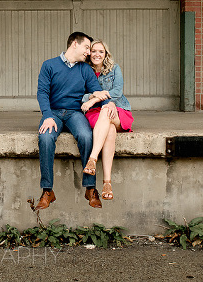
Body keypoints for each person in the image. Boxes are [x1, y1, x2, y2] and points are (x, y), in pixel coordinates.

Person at [35, 31, 111, 210]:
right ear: (74, 44)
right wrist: (46, 115)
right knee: (45, 138)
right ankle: (47, 190)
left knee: (86, 136)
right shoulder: (49, 65)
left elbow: (96, 90)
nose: (89, 52)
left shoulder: (85, 69)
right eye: (86, 47)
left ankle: (90, 188)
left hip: (75, 113)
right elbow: (42, 93)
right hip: (53, 113)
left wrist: (109, 104)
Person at [80, 39, 134, 201]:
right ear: (89, 53)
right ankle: (107, 183)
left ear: (105, 54)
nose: (97, 54)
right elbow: (78, 94)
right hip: (96, 113)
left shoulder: (114, 68)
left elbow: (117, 90)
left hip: (117, 109)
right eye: (94, 51)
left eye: (101, 51)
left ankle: (92, 159)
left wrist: (95, 100)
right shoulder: (83, 70)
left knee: (106, 110)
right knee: (109, 129)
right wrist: (91, 97)